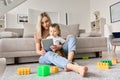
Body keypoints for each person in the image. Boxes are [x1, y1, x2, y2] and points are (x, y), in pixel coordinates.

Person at [34, 12, 88, 77]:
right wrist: (41, 52)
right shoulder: (37, 34)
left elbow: (61, 43)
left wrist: (58, 47)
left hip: (59, 52)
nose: (45, 24)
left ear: (49, 20)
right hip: (46, 55)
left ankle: (69, 61)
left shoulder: (54, 29)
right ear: (40, 24)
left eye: (46, 21)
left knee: (72, 37)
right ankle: (75, 68)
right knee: (49, 54)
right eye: (42, 23)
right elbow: (37, 50)